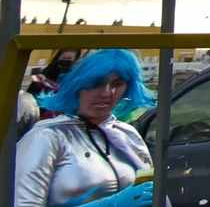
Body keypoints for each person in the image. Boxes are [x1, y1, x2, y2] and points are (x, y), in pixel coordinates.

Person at [15, 49, 155, 207]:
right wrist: (112, 204)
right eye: (96, 83)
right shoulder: (46, 137)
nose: (106, 93)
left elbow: (152, 192)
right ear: (78, 86)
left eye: (118, 84)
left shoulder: (127, 134)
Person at [26, 50, 80, 121]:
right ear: (58, 58)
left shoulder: (76, 76)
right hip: (42, 108)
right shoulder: (47, 72)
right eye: (64, 58)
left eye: (69, 59)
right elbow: (32, 91)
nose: (66, 61)